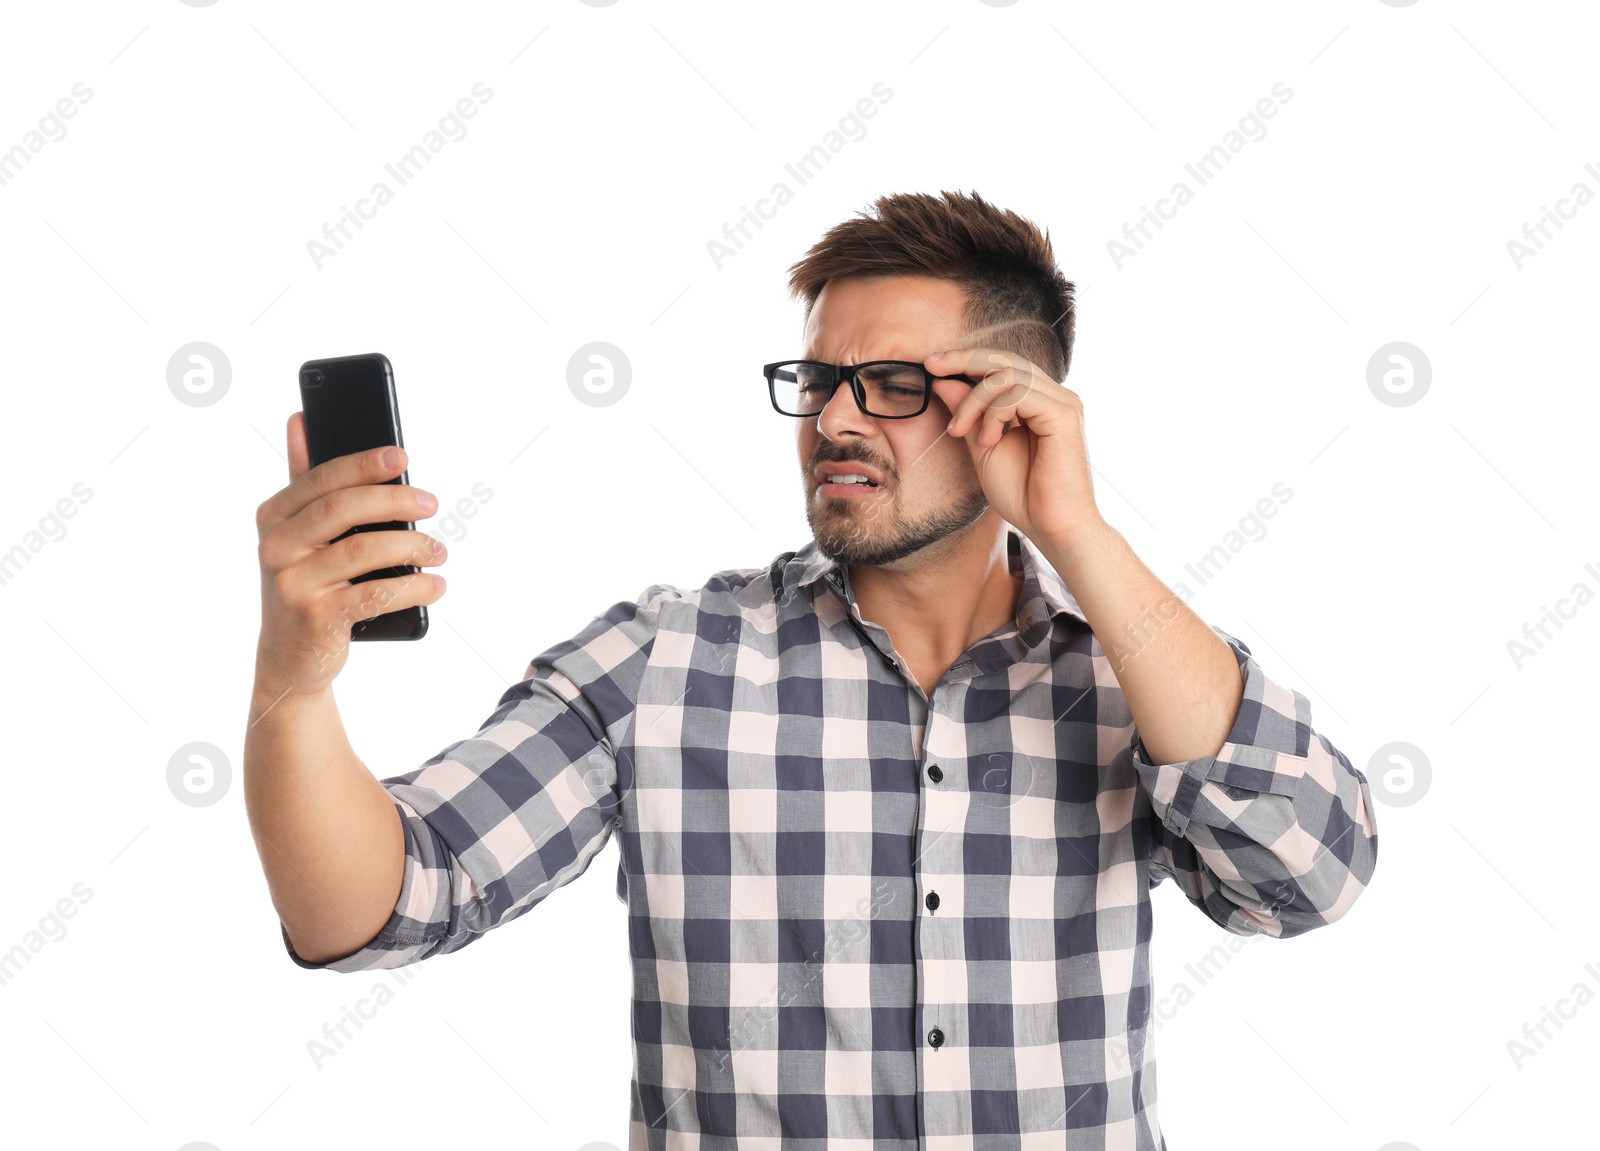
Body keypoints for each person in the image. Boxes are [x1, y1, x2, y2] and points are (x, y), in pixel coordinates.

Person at [245, 190, 1378, 1149]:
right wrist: (293, 688)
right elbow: (383, 900)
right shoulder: (664, 660)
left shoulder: (1128, 668)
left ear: (1014, 410)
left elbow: (1309, 875)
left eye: (889, 382)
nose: (833, 418)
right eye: (820, 378)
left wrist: (1080, 533)